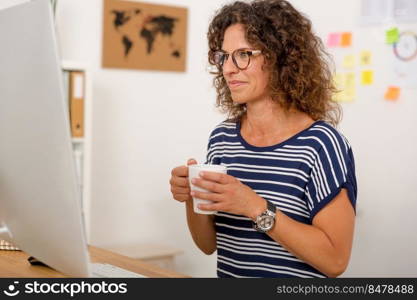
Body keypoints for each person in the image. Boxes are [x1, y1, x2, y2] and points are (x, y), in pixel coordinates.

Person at [169, 0, 357, 278]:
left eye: (243, 54)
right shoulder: (222, 138)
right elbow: (207, 245)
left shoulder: (322, 144)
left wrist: (252, 205)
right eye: (224, 56)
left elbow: (335, 261)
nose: (229, 69)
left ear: (280, 58)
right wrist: (190, 198)